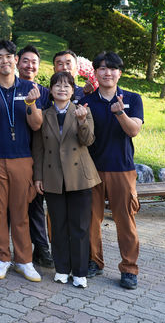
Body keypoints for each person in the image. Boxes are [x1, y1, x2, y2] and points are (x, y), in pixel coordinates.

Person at [0, 40, 43, 282]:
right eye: (0, 57)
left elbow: (36, 125)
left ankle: (24, 260)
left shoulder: (30, 88)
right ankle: (2, 257)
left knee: (20, 211)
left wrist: (32, 102)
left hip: (21, 158)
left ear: (16, 60)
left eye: (9, 56)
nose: (5, 60)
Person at [80, 52, 143, 290]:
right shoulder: (87, 100)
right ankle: (94, 261)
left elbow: (134, 130)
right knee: (91, 219)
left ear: (120, 73)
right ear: (95, 73)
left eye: (113, 69)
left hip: (121, 169)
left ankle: (129, 268)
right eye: (103, 69)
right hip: (92, 169)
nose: (108, 73)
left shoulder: (133, 98)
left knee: (125, 220)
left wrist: (120, 112)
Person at [33, 72, 100, 289]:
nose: (62, 89)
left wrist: (82, 122)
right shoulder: (44, 115)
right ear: (51, 91)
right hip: (53, 178)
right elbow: (39, 149)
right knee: (58, 227)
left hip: (79, 177)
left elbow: (88, 140)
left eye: (67, 86)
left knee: (79, 227)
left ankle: (80, 272)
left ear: (73, 90)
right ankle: (62, 269)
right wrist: (38, 177)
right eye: (58, 86)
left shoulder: (83, 111)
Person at [16, 45, 54, 269]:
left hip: (37, 155)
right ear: (17, 62)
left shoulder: (45, 93)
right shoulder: (9, 87)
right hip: (13, 153)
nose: (29, 66)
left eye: (34, 62)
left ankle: (41, 248)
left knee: (36, 204)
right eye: (25, 61)